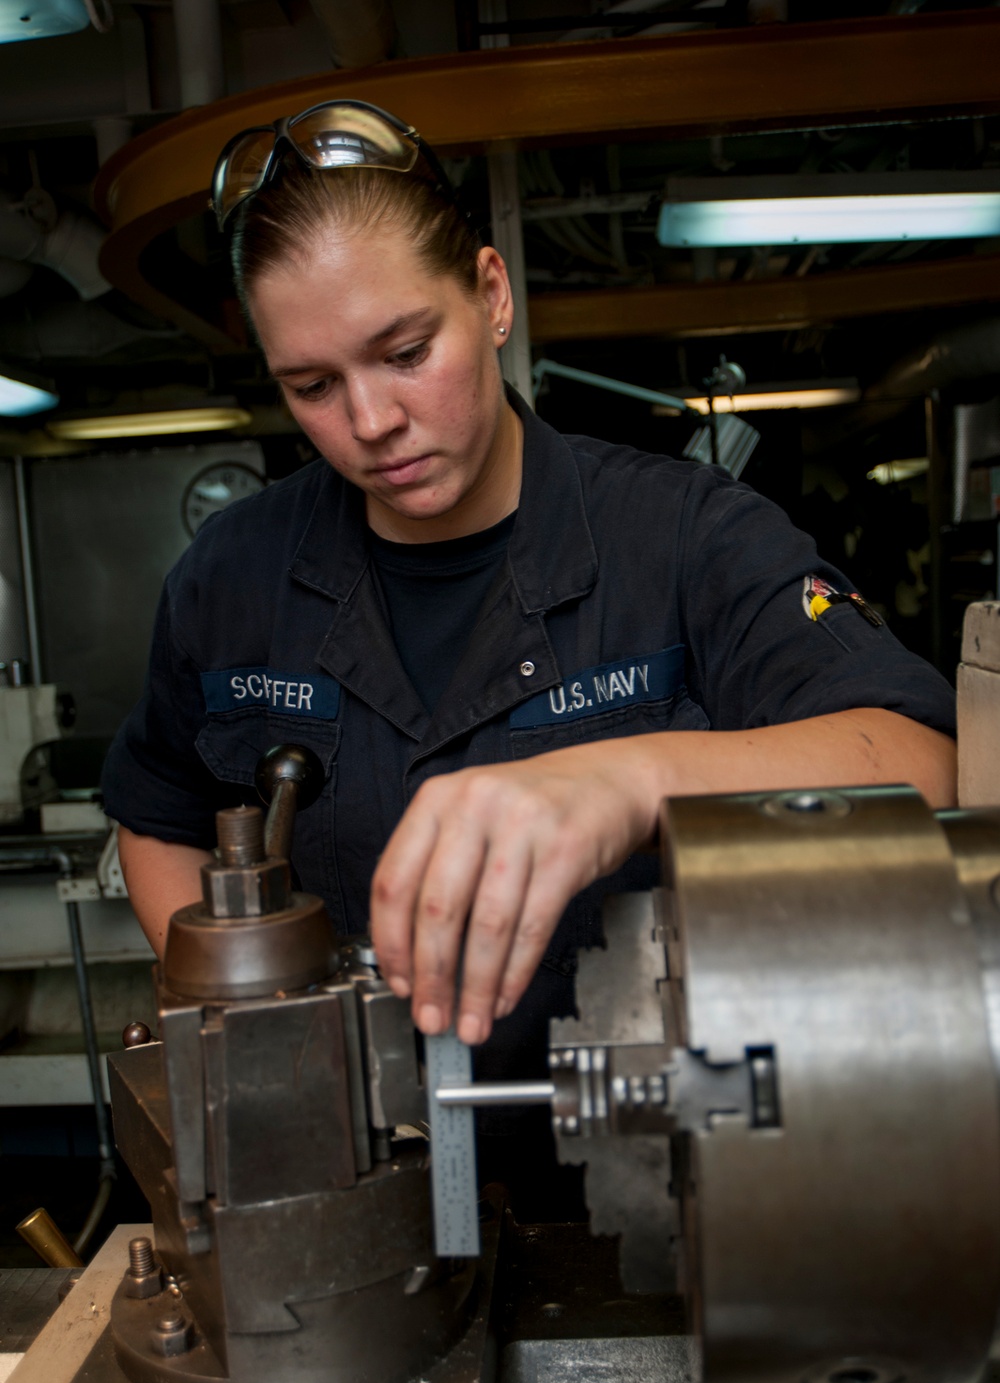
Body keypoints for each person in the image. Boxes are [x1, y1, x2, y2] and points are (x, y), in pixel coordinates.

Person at [103, 100, 956, 1104]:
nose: (373, 421)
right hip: (361, 1173)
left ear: (491, 294)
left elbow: (919, 768)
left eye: (406, 351)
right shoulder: (229, 577)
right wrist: (244, 1018)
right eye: (313, 385)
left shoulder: (684, 538)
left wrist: (632, 783)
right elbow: (157, 812)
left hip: (660, 1178)